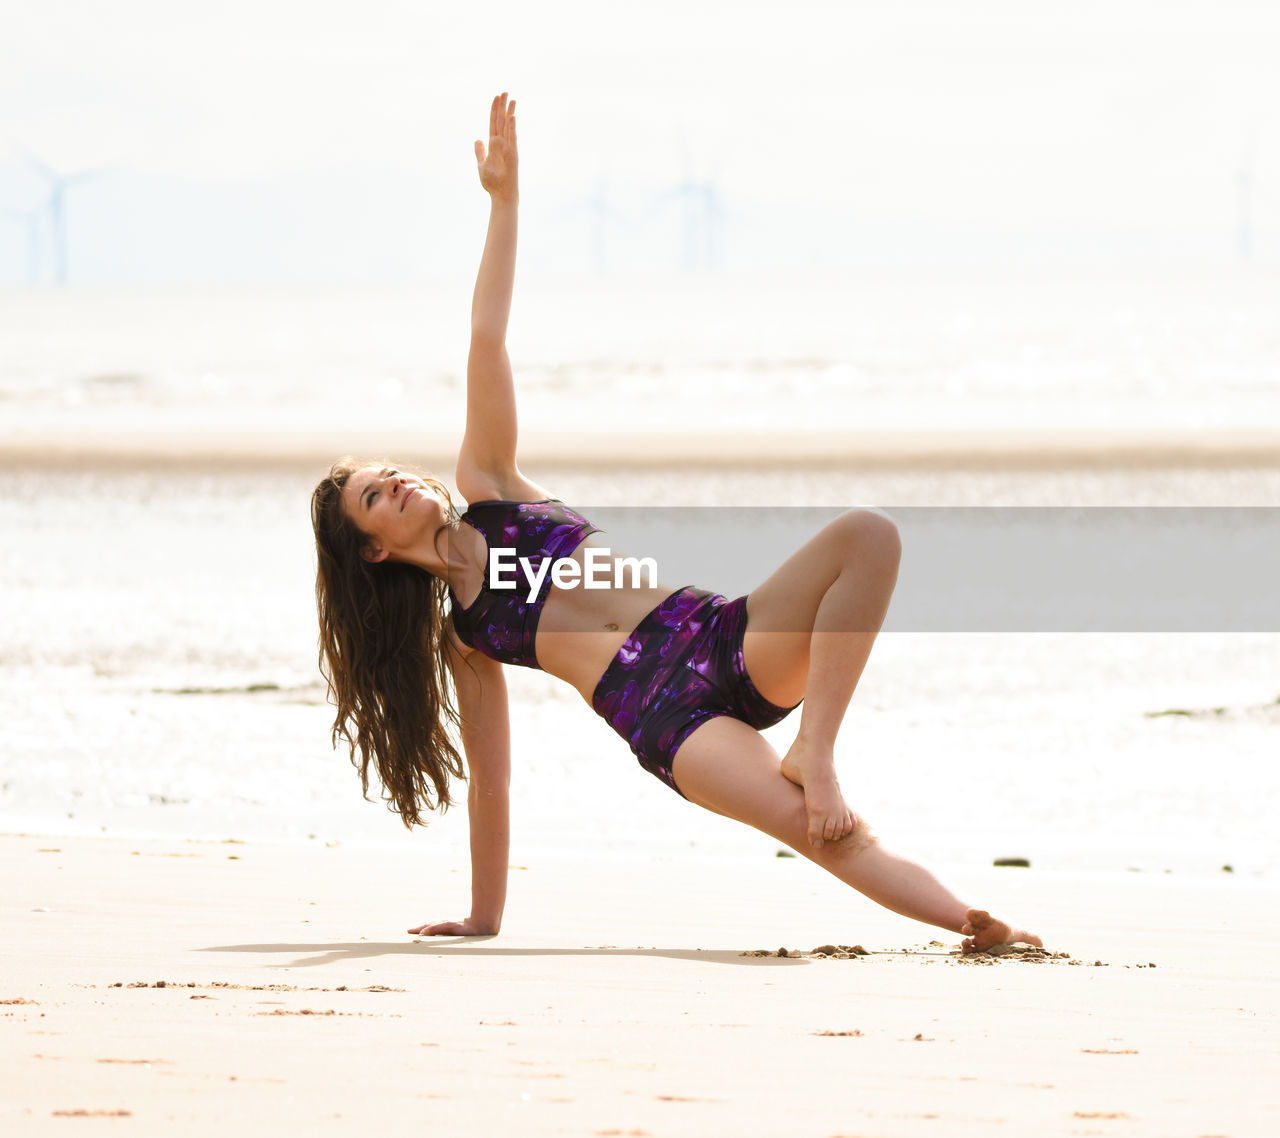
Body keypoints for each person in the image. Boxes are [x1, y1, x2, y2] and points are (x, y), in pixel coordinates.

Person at [311, 93, 1040, 955]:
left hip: (720, 634)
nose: (393, 484)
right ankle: (975, 923)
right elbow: (493, 784)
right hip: (667, 721)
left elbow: (486, 339)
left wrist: (504, 205)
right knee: (823, 835)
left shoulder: (495, 487)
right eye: (373, 497)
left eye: (387, 474)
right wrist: (485, 916)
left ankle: (817, 746)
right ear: (373, 548)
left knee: (869, 535)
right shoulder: (467, 638)